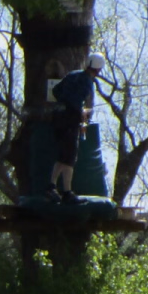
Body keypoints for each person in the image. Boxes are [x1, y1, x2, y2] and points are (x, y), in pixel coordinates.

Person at [47, 51, 105, 200]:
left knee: (63, 155)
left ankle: (52, 187)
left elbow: (56, 91)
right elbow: (76, 102)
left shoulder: (73, 74)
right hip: (70, 120)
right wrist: (81, 112)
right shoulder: (87, 83)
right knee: (70, 157)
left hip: (57, 118)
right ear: (98, 69)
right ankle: (66, 191)